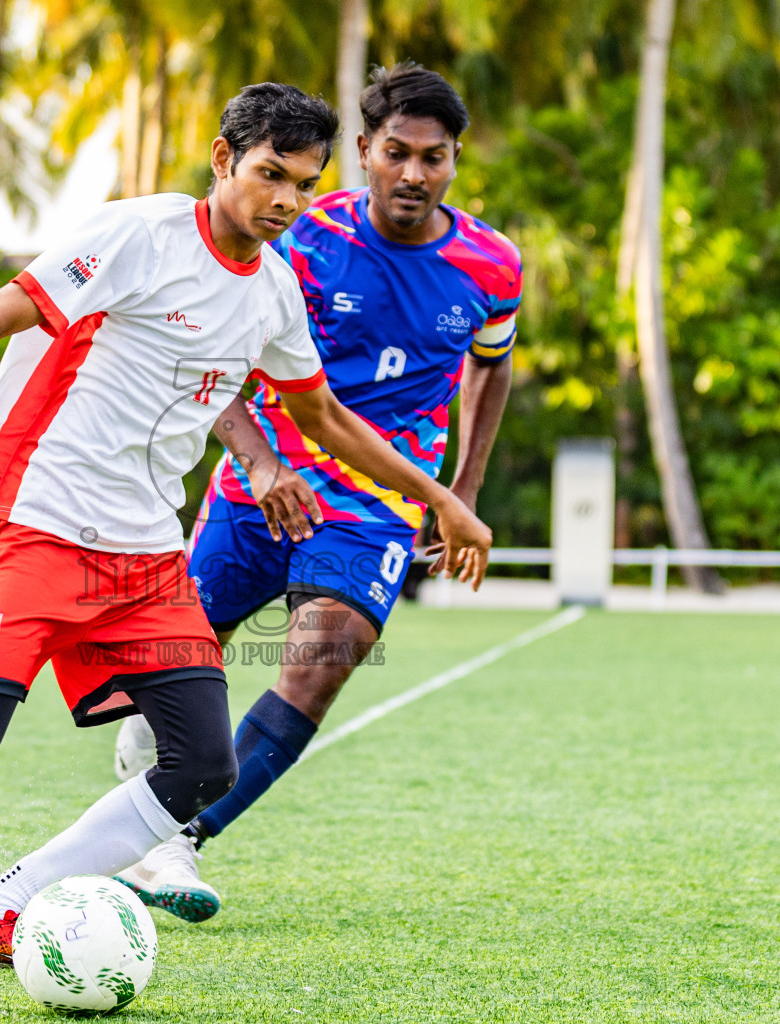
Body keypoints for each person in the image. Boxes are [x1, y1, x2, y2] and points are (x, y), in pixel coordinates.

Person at [0, 82, 496, 969]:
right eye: (271, 175)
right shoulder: (138, 234)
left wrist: (447, 501)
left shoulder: (273, 288)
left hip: (147, 555)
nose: (287, 203)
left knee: (202, 768)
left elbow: (330, 423)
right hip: (42, 521)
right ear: (224, 159)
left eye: (304, 185)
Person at [111, 64, 521, 924]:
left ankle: (179, 837)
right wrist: (259, 462)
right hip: (265, 480)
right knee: (179, 658)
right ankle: (150, 783)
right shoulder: (301, 235)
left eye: (435, 158)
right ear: (364, 151)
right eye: (397, 153)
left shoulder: (493, 263)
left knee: (324, 660)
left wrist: (463, 488)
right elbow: (212, 352)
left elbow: (493, 363)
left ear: (455, 161)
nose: (414, 173)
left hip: (381, 503)